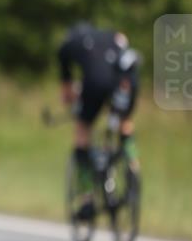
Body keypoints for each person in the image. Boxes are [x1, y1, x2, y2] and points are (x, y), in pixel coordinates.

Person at [57, 21, 141, 222]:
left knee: (82, 129)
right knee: (124, 122)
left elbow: (67, 92)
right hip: (127, 81)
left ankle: (87, 198)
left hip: (95, 81)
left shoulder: (68, 45)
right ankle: (133, 167)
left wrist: (73, 98)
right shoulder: (113, 34)